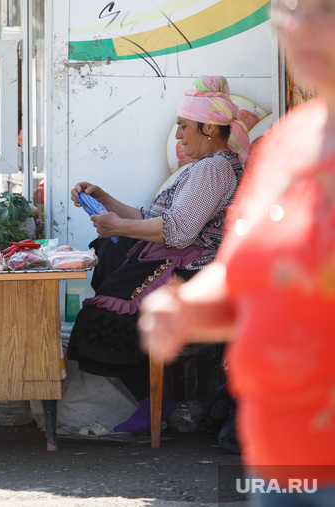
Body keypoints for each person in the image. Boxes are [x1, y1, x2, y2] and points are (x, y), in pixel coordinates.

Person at [139, 2, 335, 505]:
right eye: (291, 11)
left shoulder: (219, 167)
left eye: (325, 10)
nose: (302, 26)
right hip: (278, 454)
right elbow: (246, 272)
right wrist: (187, 308)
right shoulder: (284, 145)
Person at [67, 75, 250, 434]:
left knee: (107, 319)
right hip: (186, 263)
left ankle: (153, 403)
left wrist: (117, 227)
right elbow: (155, 219)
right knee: (110, 270)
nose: (179, 135)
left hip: (195, 270)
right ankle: (152, 402)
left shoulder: (213, 168)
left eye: (183, 126)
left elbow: (179, 233)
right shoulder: (206, 167)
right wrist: (105, 201)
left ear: (209, 128)